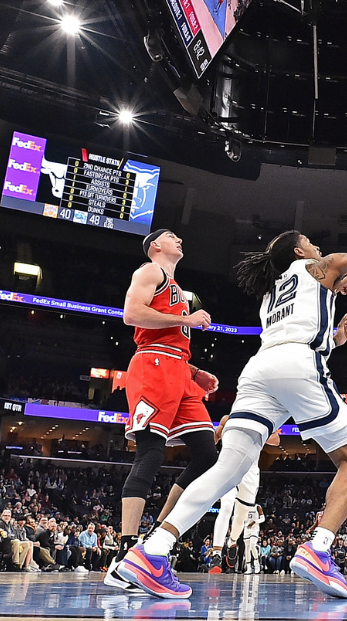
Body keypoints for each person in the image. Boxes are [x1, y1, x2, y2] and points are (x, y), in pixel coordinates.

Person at [118, 231, 347, 600]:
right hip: (297, 364)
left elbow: (305, 320)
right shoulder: (318, 266)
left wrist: (341, 305)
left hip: (260, 370)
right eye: (311, 242)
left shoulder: (272, 293)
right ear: (299, 251)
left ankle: (152, 550)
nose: (316, 246)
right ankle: (319, 548)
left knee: (225, 468)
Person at [106, 229, 220, 590]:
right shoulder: (149, 271)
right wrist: (186, 321)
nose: (179, 240)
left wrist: (195, 372)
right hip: (152, 366)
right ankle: (124, 553)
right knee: (150, 453)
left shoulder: (176, 287)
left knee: (207, 455)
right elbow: (131, 314)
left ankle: (154, 540)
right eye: (172, 236)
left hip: (177, 369)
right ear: (156, 245)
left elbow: (171, 339)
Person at [206, 419, 280, 574]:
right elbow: (213, 439)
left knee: (240, 517)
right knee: (226, 507)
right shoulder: (228, 419)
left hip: (250, 472)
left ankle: (232, 542)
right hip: (228, 468)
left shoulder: (261, 420)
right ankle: (217, 554)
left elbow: (276, 440)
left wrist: (262, 432)